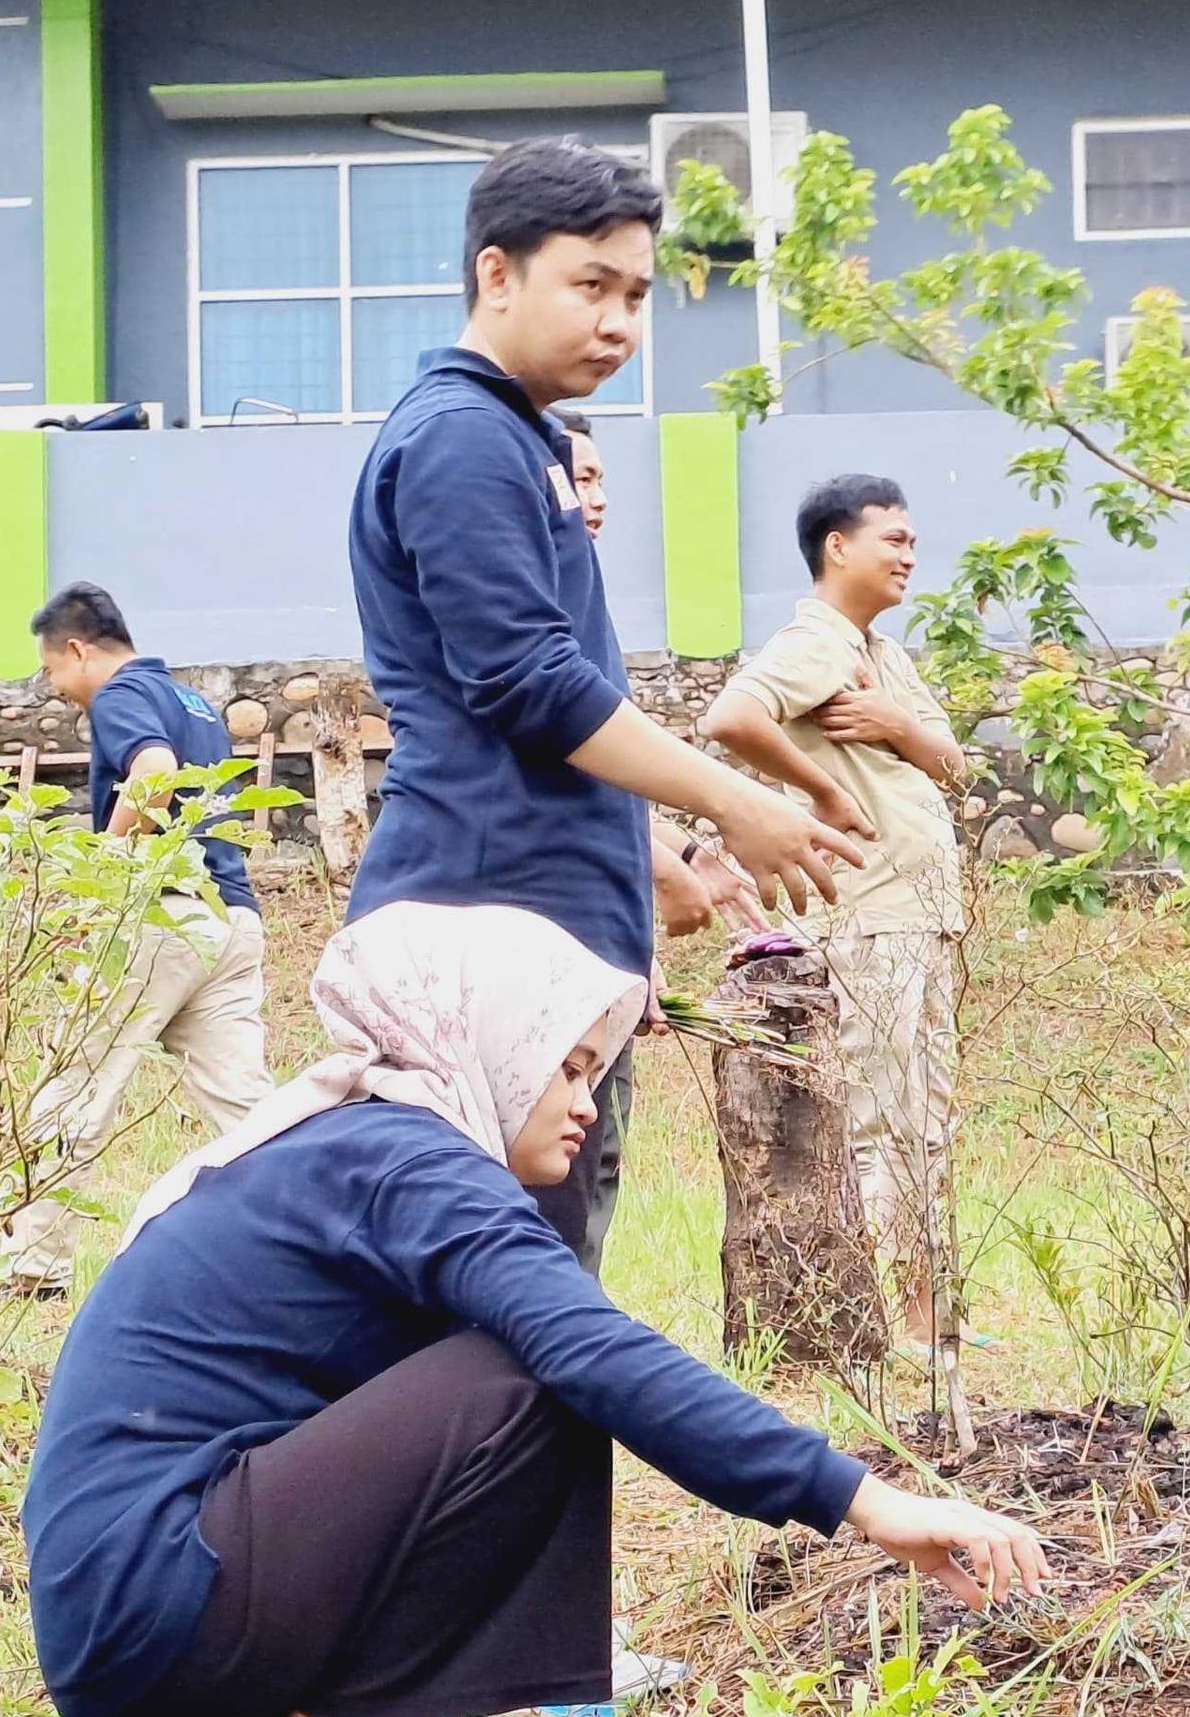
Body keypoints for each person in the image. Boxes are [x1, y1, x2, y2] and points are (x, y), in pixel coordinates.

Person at [20, 901, 1049, 1717]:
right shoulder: (405, 1158)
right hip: (162, 1620)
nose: (587, 1107)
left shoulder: (343, 1147)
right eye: (565, 1068)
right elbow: (590, 1350)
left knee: (506, 1361)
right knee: (531, 1372)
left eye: (595, 1076)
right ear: (486, 1044)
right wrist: (866, 1502)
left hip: (139, 1634)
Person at [346, 138, 863, 1269]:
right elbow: (528, 684)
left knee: (551, 1262)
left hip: (548, 915)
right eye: (590, 286)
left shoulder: (521, 435)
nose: (620, 322)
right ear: (497, 275)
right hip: (489, 923)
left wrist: (652, 848)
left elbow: (552, 699)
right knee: (510, 1288)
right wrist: (739, 803)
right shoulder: (462, 440)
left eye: (635, 295)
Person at [701, 473, 973, 1376]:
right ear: (837, 547)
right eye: (892, 538)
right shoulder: (815, 642)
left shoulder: (879, 653)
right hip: (871, 920)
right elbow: (731, 718)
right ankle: (883, 1329)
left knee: (926, 1119)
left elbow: (956, 766)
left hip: (922, 921)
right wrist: (819, 789)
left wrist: (898, 726)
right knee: (883, 1122)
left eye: (911, 540)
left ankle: (934, 1322)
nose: (908, 554)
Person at [13, 584, 276, 1284]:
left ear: (77, 649)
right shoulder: (195, 702)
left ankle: (33, 1264)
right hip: (232, 920)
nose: (55, 688)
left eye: (51, 671)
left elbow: (153, 772)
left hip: (164, 914)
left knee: (73, 1088)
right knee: (250, 1111)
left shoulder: (123, 695)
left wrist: (109, 864)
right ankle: (311, 1247)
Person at [555, 409, 764, 952]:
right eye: (582, 479)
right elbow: (546, 779)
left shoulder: (579, 592)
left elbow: (598, 785)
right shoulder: (528, 615)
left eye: (600, 480)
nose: (599, 499)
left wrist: (690, 854)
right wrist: (667, 869)